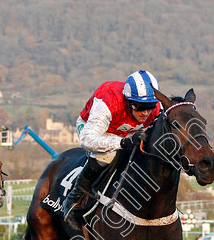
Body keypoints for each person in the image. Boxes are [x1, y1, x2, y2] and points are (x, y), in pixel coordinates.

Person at [62, 69, 162, 231]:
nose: (145, 112)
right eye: (140, 107)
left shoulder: (157, 107)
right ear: (128, 101)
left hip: (129, 133)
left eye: (149, 107)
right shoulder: (108, 102)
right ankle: (75, 197)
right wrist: (122, 143)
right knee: (106, 156)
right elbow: (88, 140)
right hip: (97, 130)